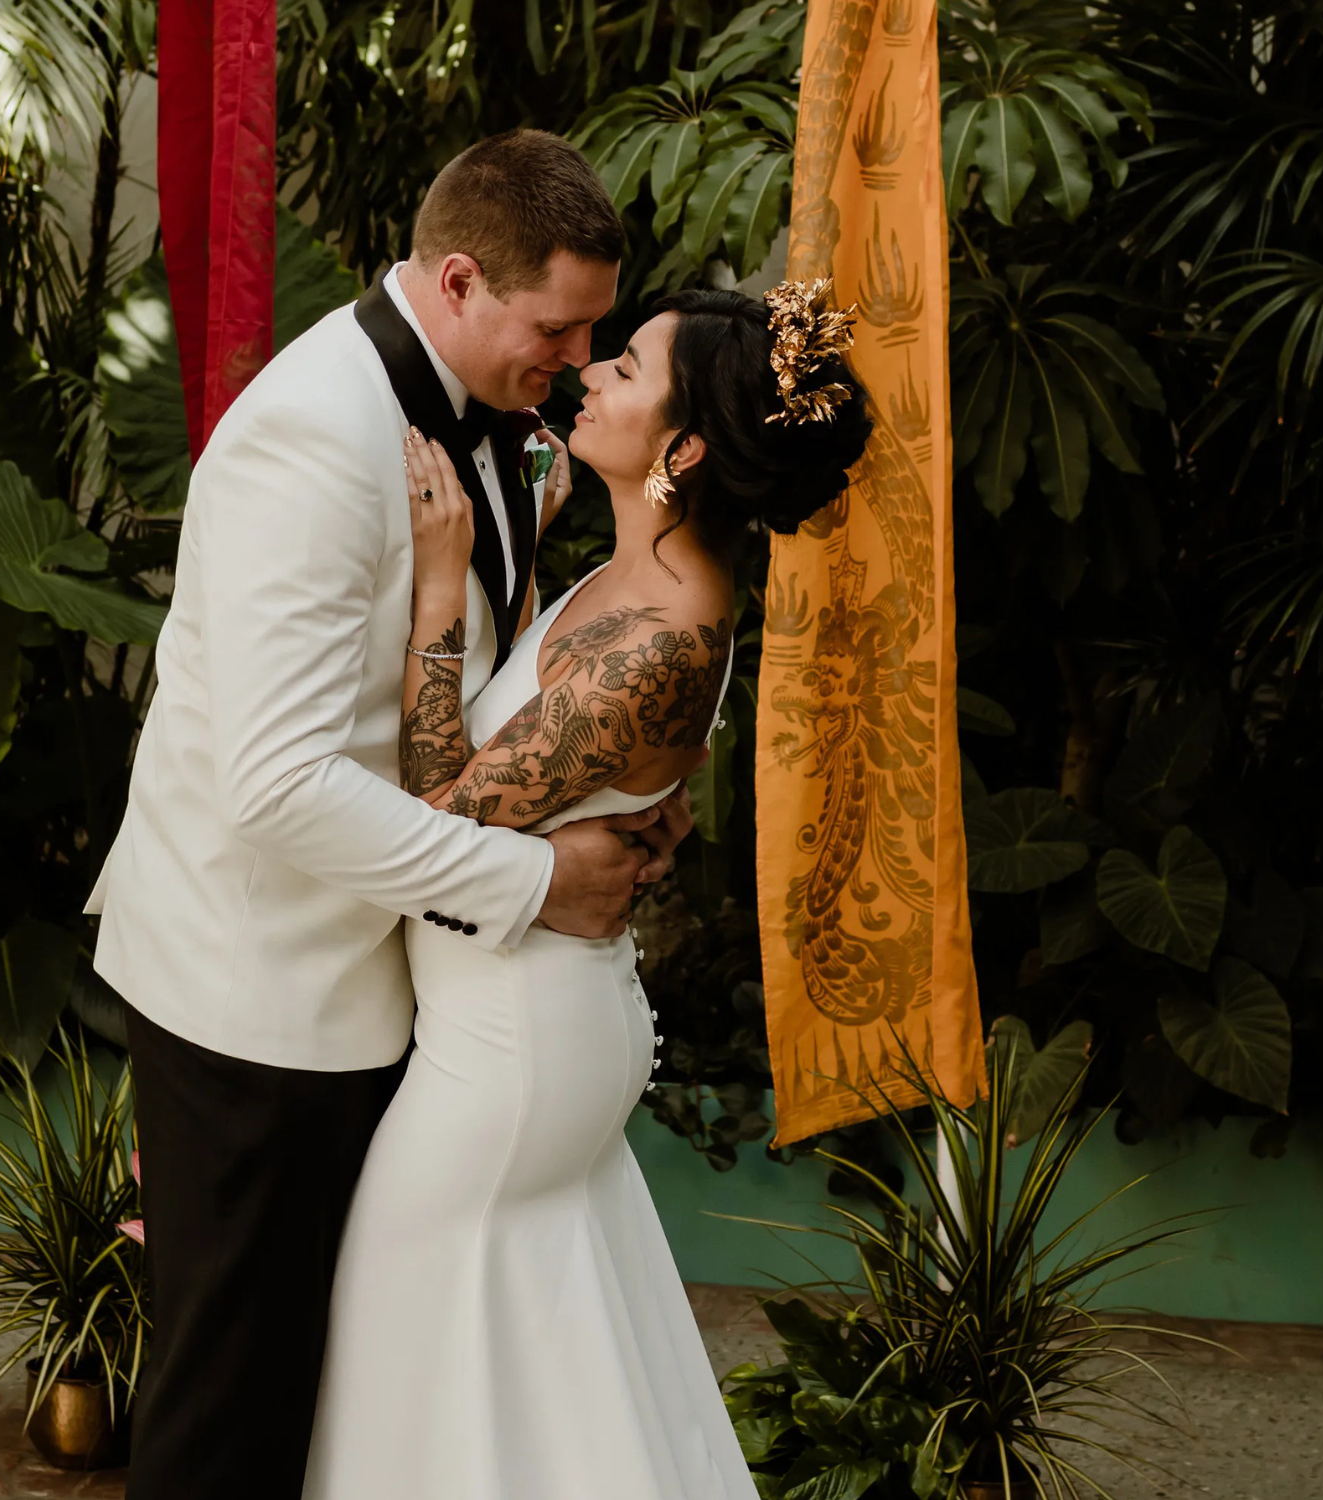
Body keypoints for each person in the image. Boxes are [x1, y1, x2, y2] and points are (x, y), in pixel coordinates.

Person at [83, 130, 693, 1500]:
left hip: (385, 987)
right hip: (259, 995)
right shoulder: (313, 435)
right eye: (562, 324)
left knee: (332, 1408)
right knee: (231, 1415)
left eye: (602, 327)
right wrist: (540, 882)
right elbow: (278, 781)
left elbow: (482, 692)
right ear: (464, 280)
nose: (585, 355)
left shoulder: (497, 415)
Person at [300, 281, 873, 1498]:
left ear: (683, 450)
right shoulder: (632, 576)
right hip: (515, 1021)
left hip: (512, 1055)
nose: (592, 373)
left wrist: (443, 588)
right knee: (522, 1384)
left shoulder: (662, 637)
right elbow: (542, 750)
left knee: (411, 1365)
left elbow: (442, 809)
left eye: (626, 369)